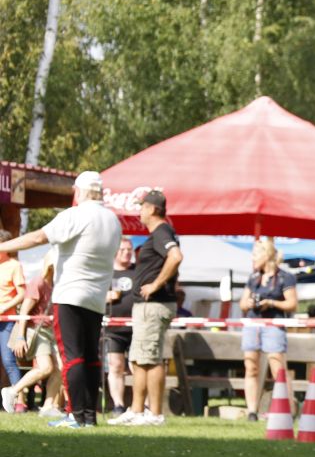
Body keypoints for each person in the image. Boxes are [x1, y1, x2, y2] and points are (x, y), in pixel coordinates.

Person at [0, 170, 121, 428]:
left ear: (79, 191)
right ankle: (88, 416)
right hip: (97, 297)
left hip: (70, 295)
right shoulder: (112, 220)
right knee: (91, 357)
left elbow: (37, 237)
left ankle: (75, 415)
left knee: (72, 357)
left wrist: (2, 247)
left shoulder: (75, 215)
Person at [111, 190, 182, 427]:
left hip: (154, 305)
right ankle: (137, 410)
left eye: (142, 207)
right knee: (140, 359)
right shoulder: (160, 232)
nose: (139, 212)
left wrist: (156, 284)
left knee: (150, 359)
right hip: (147, 306)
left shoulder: (161, 231)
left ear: (152, 209)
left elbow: (175, 256)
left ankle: (155, 414)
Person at [238, 237, 297, 421]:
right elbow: (242, 303)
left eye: (255, 254)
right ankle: (252, 411)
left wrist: (271, 303)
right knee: (251, 367)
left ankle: (288, 410)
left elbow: (292, 304)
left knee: (278, 368)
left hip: (274, 325)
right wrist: (249, 303)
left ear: (267, 255)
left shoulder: (285, 277)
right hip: (252, 324)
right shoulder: (253, 277)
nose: (252, 258)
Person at [2, 249, 61, 415]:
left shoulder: (56, 284)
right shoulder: (38, 283)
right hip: (36, 330)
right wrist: (20, 337)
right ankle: (12, 391)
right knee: (46, 367)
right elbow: (24, 312)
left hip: (49, 330)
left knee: (60, 369)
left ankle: (48, 406)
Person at [103, 237, 136, 416]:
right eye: (123, 250)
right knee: (115, 366)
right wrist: (106, 297)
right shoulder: (106, 272)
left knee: (138, 366)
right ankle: (118, 405)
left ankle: (141, 406)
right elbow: (93, 295)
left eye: (129, 250)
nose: (126, 253)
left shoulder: (137, 271)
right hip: (113, 329)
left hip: (137, 327)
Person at [0, 229, 26, 394]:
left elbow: (22, 293)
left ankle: (19, 399)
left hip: (7, 321)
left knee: (8, 360)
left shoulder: (14, 266)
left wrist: (5, 306)